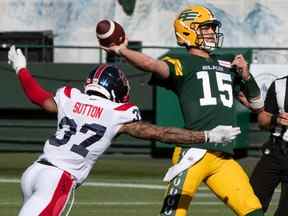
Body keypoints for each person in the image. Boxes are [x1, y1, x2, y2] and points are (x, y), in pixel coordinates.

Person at [7, 45, 240, 216]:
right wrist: (206, 136)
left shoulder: (71, 97)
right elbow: (161, 133)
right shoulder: (118, 112)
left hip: (34, 171)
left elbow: (40, 99)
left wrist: (21, 70)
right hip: (58, 178)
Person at [101, 5, 265, 216]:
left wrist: (246, 76)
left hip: (223, 157)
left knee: (253, 211)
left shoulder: (227, 63)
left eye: (212, 28)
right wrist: (121, 50)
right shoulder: (182, 62)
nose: (212, 33)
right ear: (188, 31)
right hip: (194, 152)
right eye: (206, 28)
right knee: (173, 213)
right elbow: (151, 64)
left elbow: (257, 106)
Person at [250, 76, 288, 216]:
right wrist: (276, 119)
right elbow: (262, 119)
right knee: (251, 203)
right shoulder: (279, 85)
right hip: (276, 149)